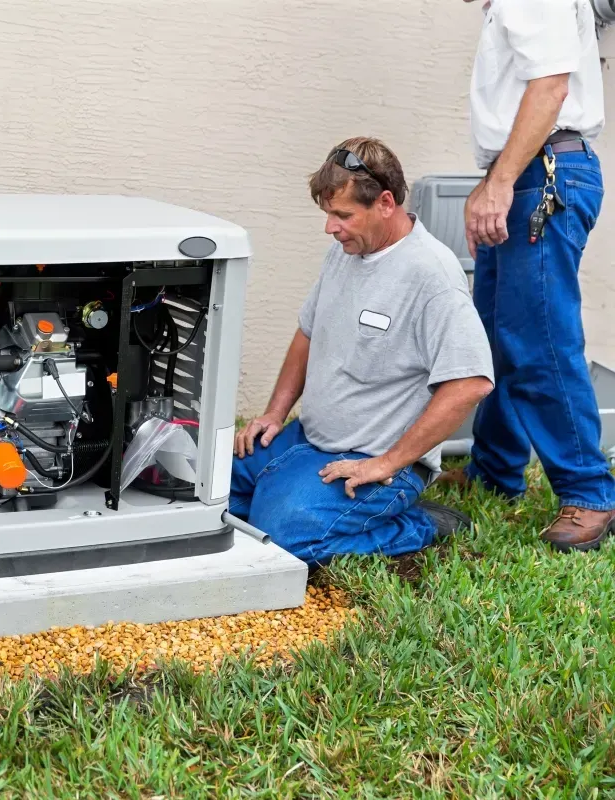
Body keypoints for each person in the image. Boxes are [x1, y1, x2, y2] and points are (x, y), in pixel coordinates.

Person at [232, 137, 495, 567]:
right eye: (329, 215)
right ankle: (288, 488)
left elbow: (470, 383)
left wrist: (388, 462)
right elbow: (307, 333)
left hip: (373, 461)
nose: (330, 227)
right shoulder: (345, 252)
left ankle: (421, 524)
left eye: (343, 215)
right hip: (306, 439)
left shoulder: (431, 275)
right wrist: (274, 413)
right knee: (210, 494)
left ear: (386, 203)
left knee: (283, 540)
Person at [440, 0, 613, 552]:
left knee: (538, 338)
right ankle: (495, 470)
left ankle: (589, 494)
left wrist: (500, 183)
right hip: (526, 175)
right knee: (496, 334)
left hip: (542, 176)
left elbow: (550, 88)